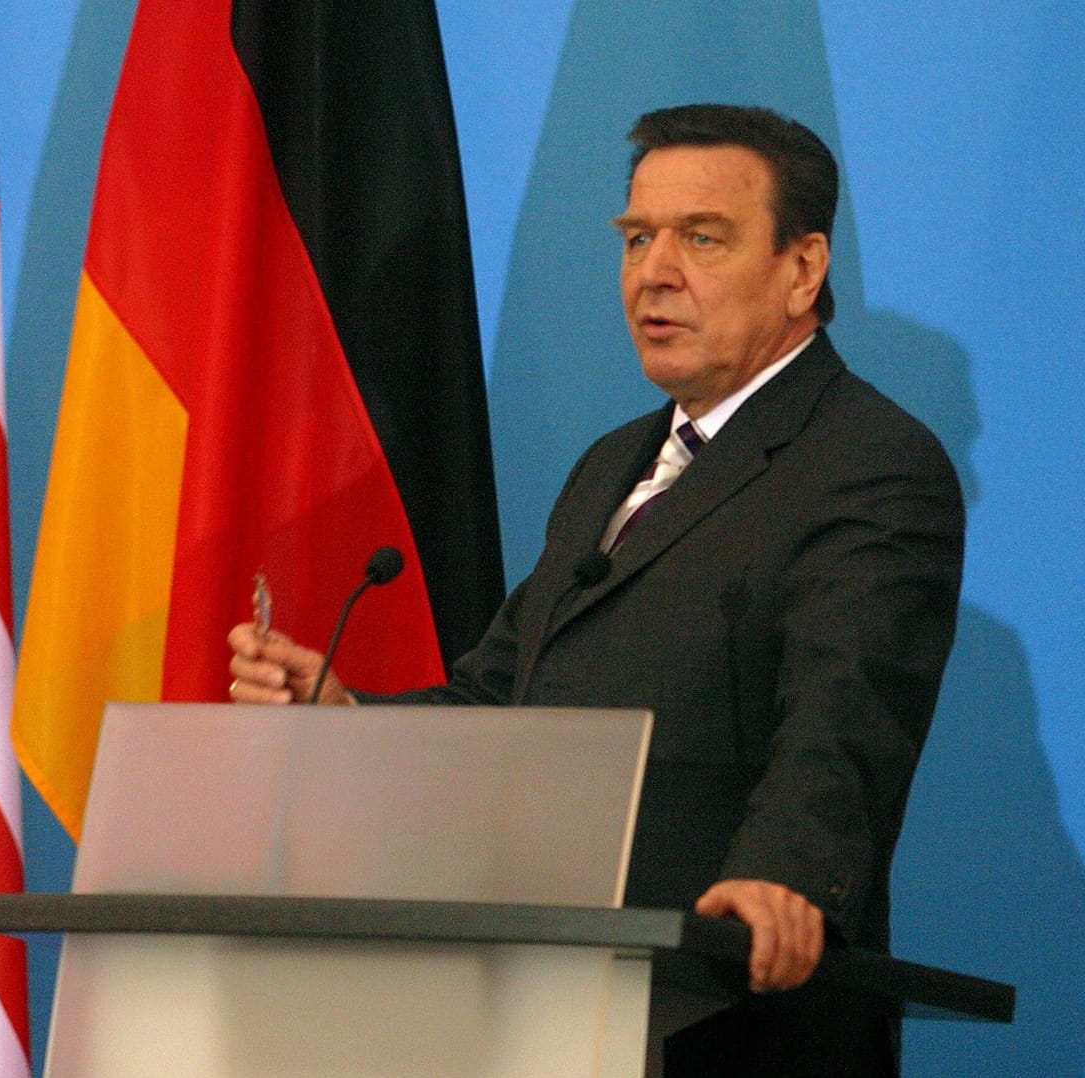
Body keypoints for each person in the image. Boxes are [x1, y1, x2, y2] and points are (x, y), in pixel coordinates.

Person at [228, 104, 962, 1076]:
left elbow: (845, 717)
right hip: (554, 1007)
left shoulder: (869, 460)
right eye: (637, 237)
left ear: (803, 269)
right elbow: (503, 702)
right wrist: (348, 712)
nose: (655, 271)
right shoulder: (610, 467)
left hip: (737, 1018)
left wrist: (783, 876)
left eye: (702, 237)